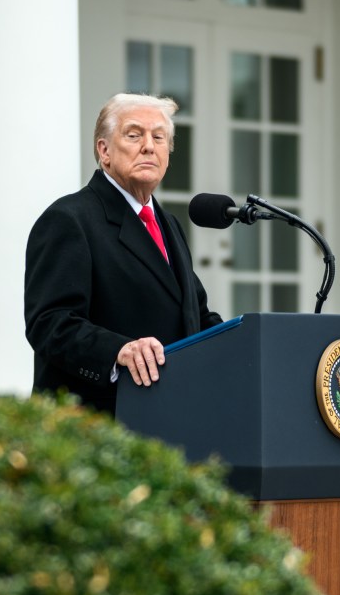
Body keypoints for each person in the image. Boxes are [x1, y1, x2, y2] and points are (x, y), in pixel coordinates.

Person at [24, 93, 222, 413]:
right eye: (134, 135)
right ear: (104, 150)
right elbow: (49, 324)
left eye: (159, 137)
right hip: (95, 423)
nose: (148, 146)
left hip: (170, 416)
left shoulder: (167, 224)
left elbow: (196, 315)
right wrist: (119, 350)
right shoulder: (69, 219)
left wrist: (246, 344)